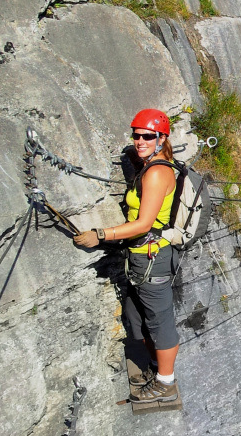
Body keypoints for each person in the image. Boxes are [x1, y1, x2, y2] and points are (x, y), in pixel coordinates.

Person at [74, 109, 181, 404]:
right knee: (138, 316)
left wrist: (100, 234)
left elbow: (144, 224)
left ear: (161, 138)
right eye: (136, 135)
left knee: (160, 322)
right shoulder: (149, 166)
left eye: (147, 136)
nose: (139, 140)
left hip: (152, 257)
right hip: (138, 256)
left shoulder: (158, 172)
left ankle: (166, 383)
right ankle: (157, 370)